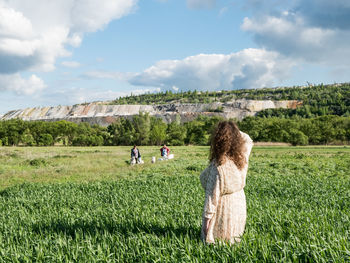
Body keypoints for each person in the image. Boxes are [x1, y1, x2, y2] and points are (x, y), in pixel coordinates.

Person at [200, 121, 253, 244]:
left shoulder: (218, 166)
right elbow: (247, 139)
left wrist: (206, 223)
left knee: (219, 243)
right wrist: (232, 131)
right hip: (238, 204)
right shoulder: (241, 158)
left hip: (223, 208)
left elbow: (212, 197)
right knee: (234, 240)